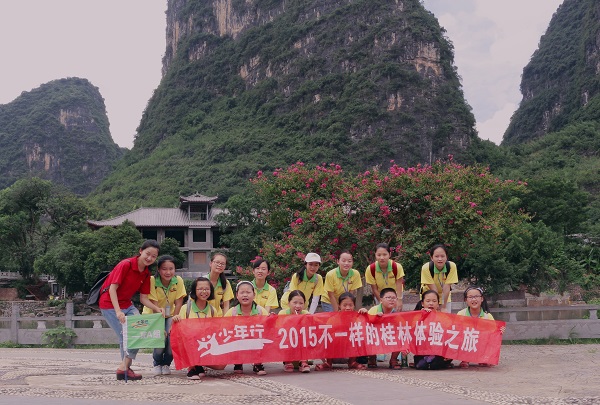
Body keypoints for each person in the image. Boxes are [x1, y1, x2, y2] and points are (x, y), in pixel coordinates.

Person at [98, 240, 164, 381]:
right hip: (109, 304)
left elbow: (144, 299)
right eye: (147, 254)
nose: (149, 258)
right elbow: (112, 289)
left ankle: (123, 368)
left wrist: (156, 308)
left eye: (153, 256)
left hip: (128, 305)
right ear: (141, 251)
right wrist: (118, 312)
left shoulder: (146, 273)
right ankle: (125, 369)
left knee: (138, 333)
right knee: (125, 336)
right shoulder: (126, 264)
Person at [142, 255, 186, 376]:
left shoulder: (178, 280)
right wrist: (159, 326)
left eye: (171, 268)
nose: (168, 272)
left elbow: (179, 302)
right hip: (154, 314)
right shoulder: (152, 280)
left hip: (170, 313)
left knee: (172, 337)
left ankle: (166, 363)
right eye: (164, 269)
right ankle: (157, 363)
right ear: (158, 269)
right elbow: (154, 304)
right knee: (160, 338)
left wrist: (174, 321)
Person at [176, 277, 225, 379]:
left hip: (206, 344)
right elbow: (180, 331)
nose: (204, 291)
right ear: (194, 291)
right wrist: (175, 320)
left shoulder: (212, 310)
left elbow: (216, 331)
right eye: (200, 289)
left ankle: (199, 364)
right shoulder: (186, 308)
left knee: (221, 365)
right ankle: (192, 368)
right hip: (190, 344)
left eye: (207, 289)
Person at [224, 280, 269, 375]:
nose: (245, 295)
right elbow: (224, 328)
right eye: (242, 292)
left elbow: (269, 327)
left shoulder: (261, 311)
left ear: (254, 295)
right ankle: (238, 362)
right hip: (238, 341)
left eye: (248, 292)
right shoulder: (232, 312)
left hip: (255, 340)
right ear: (237, 295)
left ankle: (258, 363)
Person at [315, 292, 367, 371]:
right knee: (328, 336)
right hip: (333, 354)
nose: (348, 308)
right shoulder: (333, 318)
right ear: (339, 305)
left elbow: (366, 327)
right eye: (345, 305)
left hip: (351, 353)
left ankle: (352, 362)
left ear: (354, 306)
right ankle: (328, 363)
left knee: (360, 335)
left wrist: (365, 314)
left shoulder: (357, 317)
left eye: (350, 305)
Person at [457, 286, 504, 368]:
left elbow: (494, 334)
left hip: (480, 344)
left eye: (476, 297)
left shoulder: (487, 316)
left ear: (482, 299)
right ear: (466, 300)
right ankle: (465, 359)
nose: (474, 299)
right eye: (470, 297)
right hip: (466, 343)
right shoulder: (461, 314)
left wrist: (500, 331)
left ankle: (483, 358)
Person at [413, 290, 453, 370]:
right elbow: (412, 332)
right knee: (421, 366)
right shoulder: (417, 316)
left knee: (435, 365)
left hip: (439, 352)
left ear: (438, 304)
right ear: (422, 303)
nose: (431, 303)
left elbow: (450, 334)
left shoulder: (444, 317)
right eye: (428, 301)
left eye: (434, 301)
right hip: (422, 352)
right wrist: (423, 315)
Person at [366, 288, 402, 369]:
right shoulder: (374, 310)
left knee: (401, 334)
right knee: (369, 336)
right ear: (381, 300)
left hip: (389, 335)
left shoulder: (396, 312)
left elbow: (402, 326)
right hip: (376, 335)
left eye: (394, 298)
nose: (391, 300)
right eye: (388, 298)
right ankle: (372, 358)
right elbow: (366, 325)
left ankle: (393, 360)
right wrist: (376, 318)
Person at [364, 243, 405, 311]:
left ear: (390, 254)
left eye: (385, 254)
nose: (382, 258)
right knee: (380, 317)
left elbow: (399, 284)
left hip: (395, 297)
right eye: (379, 255)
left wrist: (399, 300)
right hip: (380, 296)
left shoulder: (397, 267)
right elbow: (374, 289)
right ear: (375, 255)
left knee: (395, 317)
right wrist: (382, 301)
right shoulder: (371, 269)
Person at [278, 290, 311, 373]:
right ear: (289, 303)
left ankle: (303, 362)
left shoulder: (306, 314)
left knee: (304, 338)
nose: (298, 306)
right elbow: (278, 330)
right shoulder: (283, 313)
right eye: (295, 303)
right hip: (287, 344)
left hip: (301, 346)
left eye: (301, 303)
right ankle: (287, 361)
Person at [420, 243, 458, 313]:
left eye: (442, 256)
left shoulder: (452, 266)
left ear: (446, 257)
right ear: (432, 258)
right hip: (429, 296)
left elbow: (447, 287)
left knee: (445, 318)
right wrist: (436, 305)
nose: (440, 259)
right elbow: (433, 290)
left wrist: (443, 306)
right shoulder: (426, 268)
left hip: (445, 296)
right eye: (436, 256)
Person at [207, 252, 234, 317]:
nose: (219, 265)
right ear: (210, 263)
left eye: (222, 264)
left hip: (218, 319)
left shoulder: (225, 283)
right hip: (203, 318)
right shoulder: (202, 281)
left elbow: (226, 305)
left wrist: (224, 321)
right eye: (217, 262)